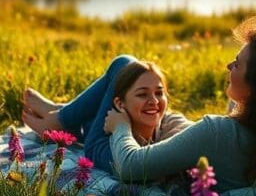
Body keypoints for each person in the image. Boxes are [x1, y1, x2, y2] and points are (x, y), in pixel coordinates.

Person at [103, 15, 256, 192]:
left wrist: (121, 125)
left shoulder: (217, 134)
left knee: (120, 67)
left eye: (237, 64)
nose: (228, 67)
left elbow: (131, 166)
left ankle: (66, 118)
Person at [21, 56, 192, 172]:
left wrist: (122, 126)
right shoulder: (112, 139)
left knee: (124, 61)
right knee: (125, 62)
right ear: (118, 104)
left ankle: (62, 117)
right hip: (101, 124)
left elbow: (198, 132)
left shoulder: (171, 124)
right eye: (142, 94)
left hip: (92, 131)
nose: (154, 101)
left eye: (159, 93)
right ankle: (62, 117)